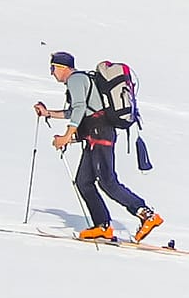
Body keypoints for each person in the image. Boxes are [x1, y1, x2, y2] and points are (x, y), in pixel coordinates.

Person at [35, 52, 162, 243]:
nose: (52, 73)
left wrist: (67, 136)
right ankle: (102, 226)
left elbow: (78, 109)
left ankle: (147, 214)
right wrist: (48, 114)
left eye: (52, 69)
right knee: (83, 181)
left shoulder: (76, 79)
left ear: (62, 67)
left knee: (108, 181)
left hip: (100, 134)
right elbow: (77, 110)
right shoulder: (81, 79)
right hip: (95, 134)